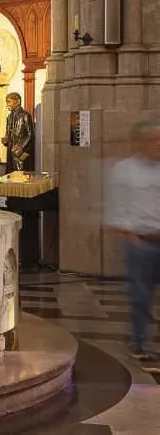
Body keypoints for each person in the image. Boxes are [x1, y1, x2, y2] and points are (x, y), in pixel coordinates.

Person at [106, 120, 160, 360]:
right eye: (153, 140)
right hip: (140, 242)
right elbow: (116, 205)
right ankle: (139, 342)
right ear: (140, 142)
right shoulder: (124, 170)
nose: (157, 145)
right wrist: (129, 233)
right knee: (141, 296)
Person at [3, 92, 34, 172]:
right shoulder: (9, 117)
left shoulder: (25, 115)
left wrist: (21, 147)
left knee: (21, 177)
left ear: (18, 101)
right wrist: (6, 140)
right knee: (10, 176)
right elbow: (8, 134)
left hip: (21, 154)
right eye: (7, 102)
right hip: (11, 154)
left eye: (9, 102)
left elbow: (30, 135)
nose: (7, 104)